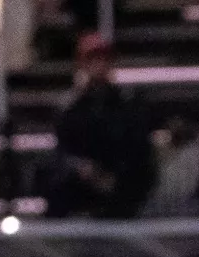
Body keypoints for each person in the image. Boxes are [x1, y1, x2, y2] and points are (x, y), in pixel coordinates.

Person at [47, 33, 154, 219]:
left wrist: (113, 175)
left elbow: (137, 146)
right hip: (81, 182)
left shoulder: (127, 103)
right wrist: (82, 168)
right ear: (83, 64)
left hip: (118, 180)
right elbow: (63, 149)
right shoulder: (70, 107)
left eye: (104, 59)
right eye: (93, 59)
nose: (99, 65)